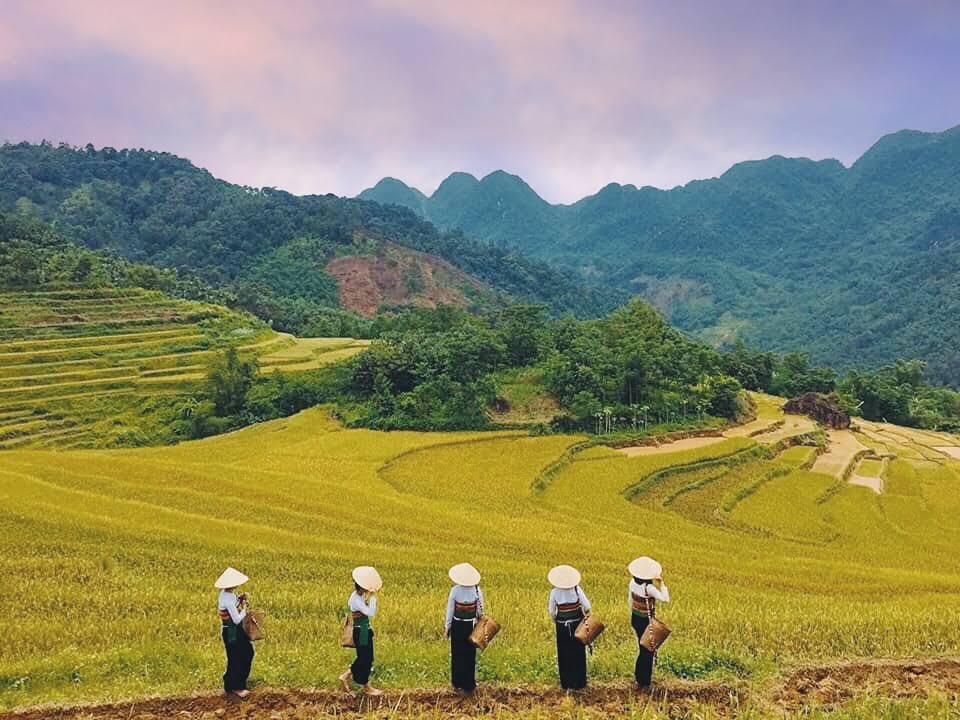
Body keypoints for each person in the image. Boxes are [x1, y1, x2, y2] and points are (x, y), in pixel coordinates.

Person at [339, 566, 383, 696]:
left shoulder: (357, 596)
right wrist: (373, 598)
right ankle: (364, 685)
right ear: (361, 586)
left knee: (366, 658)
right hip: (362, 631)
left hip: (363, 630)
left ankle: (348, 677)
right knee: (365, 658)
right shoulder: (356, 600)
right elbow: (371, 612)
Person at [627, 556, 670, 690]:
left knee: (643, 646)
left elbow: (630, 600)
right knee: (648, 650)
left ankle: (640, 677)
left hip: (635, 618)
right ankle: (644, 680)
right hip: (646, 621)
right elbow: (665, 599)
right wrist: (662, 583)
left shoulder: (632, 583)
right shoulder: (649, 587)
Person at [547, 564, 592, 690]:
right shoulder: (577, 589)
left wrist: (557, 619)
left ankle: (566, 683)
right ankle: (579, 682)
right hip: (577, 623)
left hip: (562, 625)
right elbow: (587, 606)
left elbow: (551, 611)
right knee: (578, 652)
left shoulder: (554, 592)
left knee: (564, 652)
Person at [215, 567, 255, 698]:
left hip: (235, 631)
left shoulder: (227, 594)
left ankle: (237, 682)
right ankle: (235, 686)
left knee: (246, 653)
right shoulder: (227, 599)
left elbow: (234, 603)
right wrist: (244, 609)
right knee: (237, 657)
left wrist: (240, 599)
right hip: (232, 632)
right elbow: (237, 619)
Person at [444, 562, 484, 692]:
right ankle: (469, 683)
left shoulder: (455, 590)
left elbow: (450, 610)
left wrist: (447, 626)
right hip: (471, 625)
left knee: (457, 653)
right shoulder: (477, 590)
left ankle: (457, 682)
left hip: (457, 624)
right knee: (469, 654)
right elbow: (480, 610)